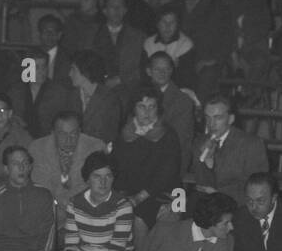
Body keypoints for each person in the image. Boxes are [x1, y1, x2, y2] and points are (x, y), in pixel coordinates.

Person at [110, 86, 183, 241]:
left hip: (163, 194)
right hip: (130, 193)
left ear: (158, 109)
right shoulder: (124, 135)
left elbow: (167, 174)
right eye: (142, 106)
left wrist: (138, 197)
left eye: (152, 107)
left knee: (140, 216)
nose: (147, 112)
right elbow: (118, 172)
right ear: (133, 109)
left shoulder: (168, 135)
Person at [190, 94, 267, 206]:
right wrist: (208, 163)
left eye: (218, 118)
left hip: (239, 206)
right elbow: (201, 184)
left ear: (231, 119)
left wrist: (220, 194)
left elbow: (257, 187)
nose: (211, 124)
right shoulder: (200, 142)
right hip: (208, 206)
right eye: (208, 118)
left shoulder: (251, 144)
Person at [174, 0, 236, 105]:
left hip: (208, 60)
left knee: (207, 76)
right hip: (179, 59)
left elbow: (228, 38)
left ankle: (198, 113)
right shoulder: (174, 6)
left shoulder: (219, 8)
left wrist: (213, 59)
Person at [92, 0, 146, 99]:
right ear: (104, 11)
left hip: (128, 92)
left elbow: (143, 67)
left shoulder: (138, 37)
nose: (116, 10)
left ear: (125, 10)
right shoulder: (92, 34)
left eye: (120, 6)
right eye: (112, 6)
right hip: (97, 91)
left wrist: (121, 79)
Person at [67, 49, 123, 145]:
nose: (69, 74)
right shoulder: (72, 96)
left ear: (85, 72)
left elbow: (110, 135)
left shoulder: (109, 99)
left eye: (73, 69)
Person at [142, 7, 197, 91]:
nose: (167, 26)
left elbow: (186, 78)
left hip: (176, 89)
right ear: (157, 24)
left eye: (172, 22)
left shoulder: (186, 45)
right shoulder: (148, 43)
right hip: (151, 87)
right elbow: (143, 72)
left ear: (177, 25)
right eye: (164, 22)